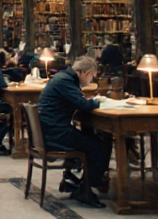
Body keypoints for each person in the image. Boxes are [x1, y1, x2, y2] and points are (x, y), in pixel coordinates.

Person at [37, 57, 109, 208]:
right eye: (91, 76)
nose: (91, 80)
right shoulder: (66, 81)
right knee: (100, 146)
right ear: (85, 72)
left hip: (52, 129)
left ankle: (76, 180)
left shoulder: (63, 77)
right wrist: (99, 101)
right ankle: (86, 189)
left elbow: (77, 101)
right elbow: (82, 104)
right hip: (56, 133)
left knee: (92, 139)